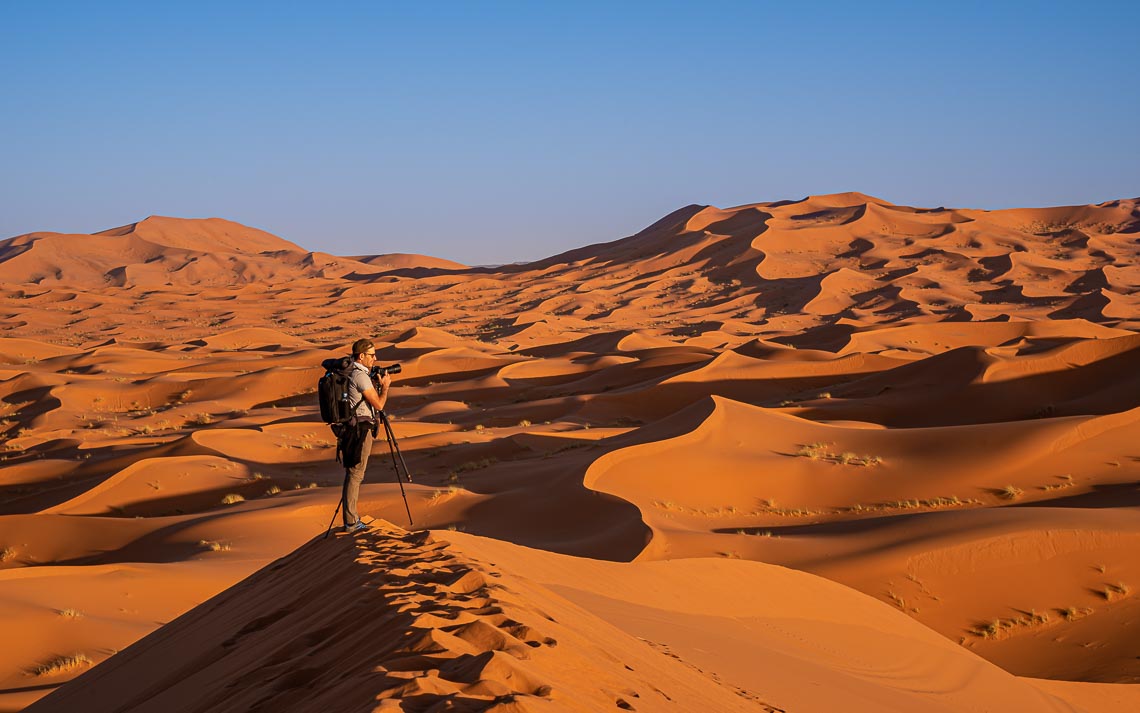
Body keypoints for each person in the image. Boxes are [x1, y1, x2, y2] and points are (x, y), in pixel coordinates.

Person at [341, 338, 392, 533]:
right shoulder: (359, 376)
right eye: (371, 355)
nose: (375, 358)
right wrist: (385, 386)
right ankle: (351, 522)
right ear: (361, 356)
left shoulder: (356, 374)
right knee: (356, 474)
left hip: (355, 428)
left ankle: (350, 517)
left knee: (354, 473)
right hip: (360, 430)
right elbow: (378, 405)